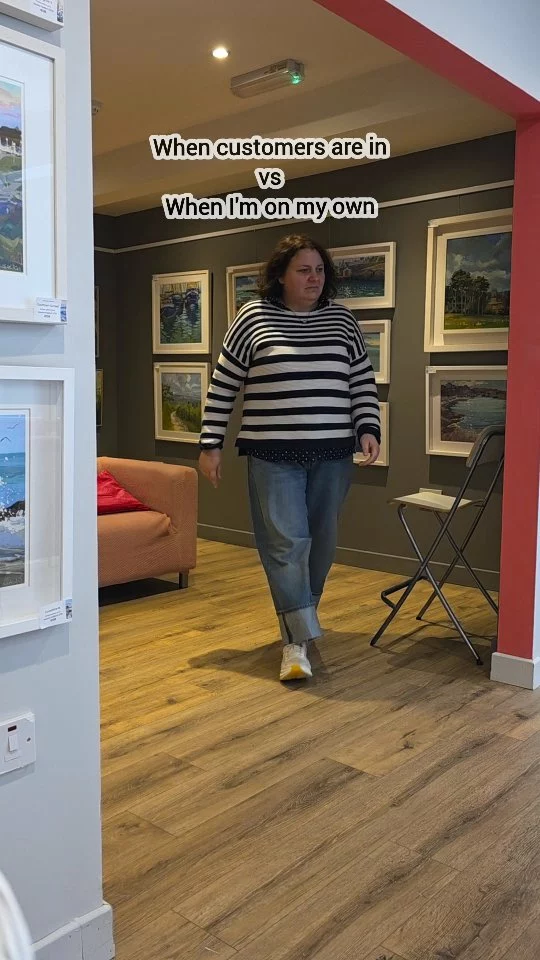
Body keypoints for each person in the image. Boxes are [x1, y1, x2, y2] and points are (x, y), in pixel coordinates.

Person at [198, 234, 380, 682]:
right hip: (272, 453)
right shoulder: (253, 317)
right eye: (303, 270)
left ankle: (300, 623)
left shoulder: (342, 321)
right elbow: (224, 384)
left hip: (333, 452)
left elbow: (361, 380)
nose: (314, 278)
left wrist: (368, 427)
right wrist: (210, 444)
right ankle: (296, 643)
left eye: (319, 270)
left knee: (323, 544)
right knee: (285, 544)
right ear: (280, 275)